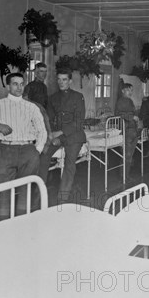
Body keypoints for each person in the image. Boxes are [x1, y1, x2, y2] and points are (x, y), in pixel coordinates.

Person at [0, 73, 47, 216]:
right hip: (6, 150)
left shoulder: (31, 107)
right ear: (7, 86)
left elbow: (42, 131)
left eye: (21, 84)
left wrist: (37, 151)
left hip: (28, 151)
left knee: (25, 189)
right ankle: (3, 227)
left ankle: (21, 229)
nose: (19, 87)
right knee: (4, 190)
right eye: (15, 84)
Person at [47, 68, 87, 202]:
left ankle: (62, 198)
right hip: (58, 136)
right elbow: (49, 119)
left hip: (74, 136)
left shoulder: (77, 96)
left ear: (70, 81)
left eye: (64, 79)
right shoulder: (53, 98)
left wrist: (60, 132)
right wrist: (50, 133)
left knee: (70, 163)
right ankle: (39, 191)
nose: (61, 82)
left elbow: (79, 121)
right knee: (43, 154)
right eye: (59, 79)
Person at [115, 83, 140, 178]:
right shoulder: (121, 101)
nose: (131, 92)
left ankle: (126, 174)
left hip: (133, 129)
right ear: (123, 90)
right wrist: (132, 117)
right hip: (126, 130)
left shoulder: (129, 101)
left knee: (130, 154)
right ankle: (124, 175)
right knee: (127, 154)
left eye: (131, 90)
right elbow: (118, 114)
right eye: (128, 90)